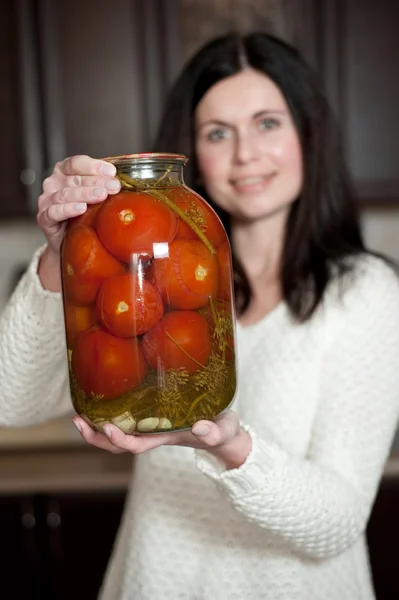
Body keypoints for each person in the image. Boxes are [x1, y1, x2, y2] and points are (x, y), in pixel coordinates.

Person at [1, 31, 399, 600]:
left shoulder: (365, 293)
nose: (245, 154)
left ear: (308, 133)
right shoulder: (148, 276)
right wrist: (59, 254)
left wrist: (230, 447)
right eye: (218, 132)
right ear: (191, 150)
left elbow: (336, 524)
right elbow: (12, 404)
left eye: (268, 123)